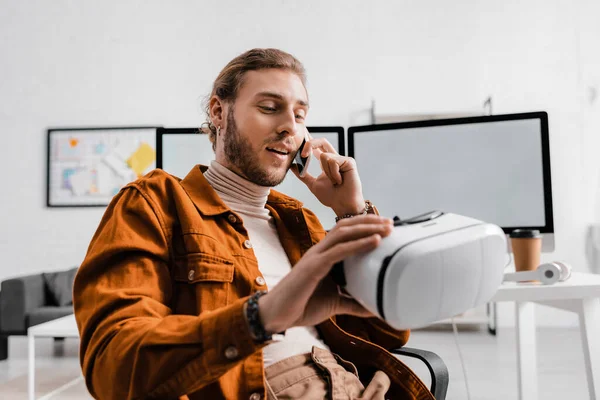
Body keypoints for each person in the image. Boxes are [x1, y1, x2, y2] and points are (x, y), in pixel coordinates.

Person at [74, 48, 434, 400]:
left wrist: (351, 212)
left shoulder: (298, 221)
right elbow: (113, 366)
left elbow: (387, 333)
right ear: (218, 111)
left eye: (300, 114)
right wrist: (260, 317)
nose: (289, 128)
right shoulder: (155, 203)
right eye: (269, 108)